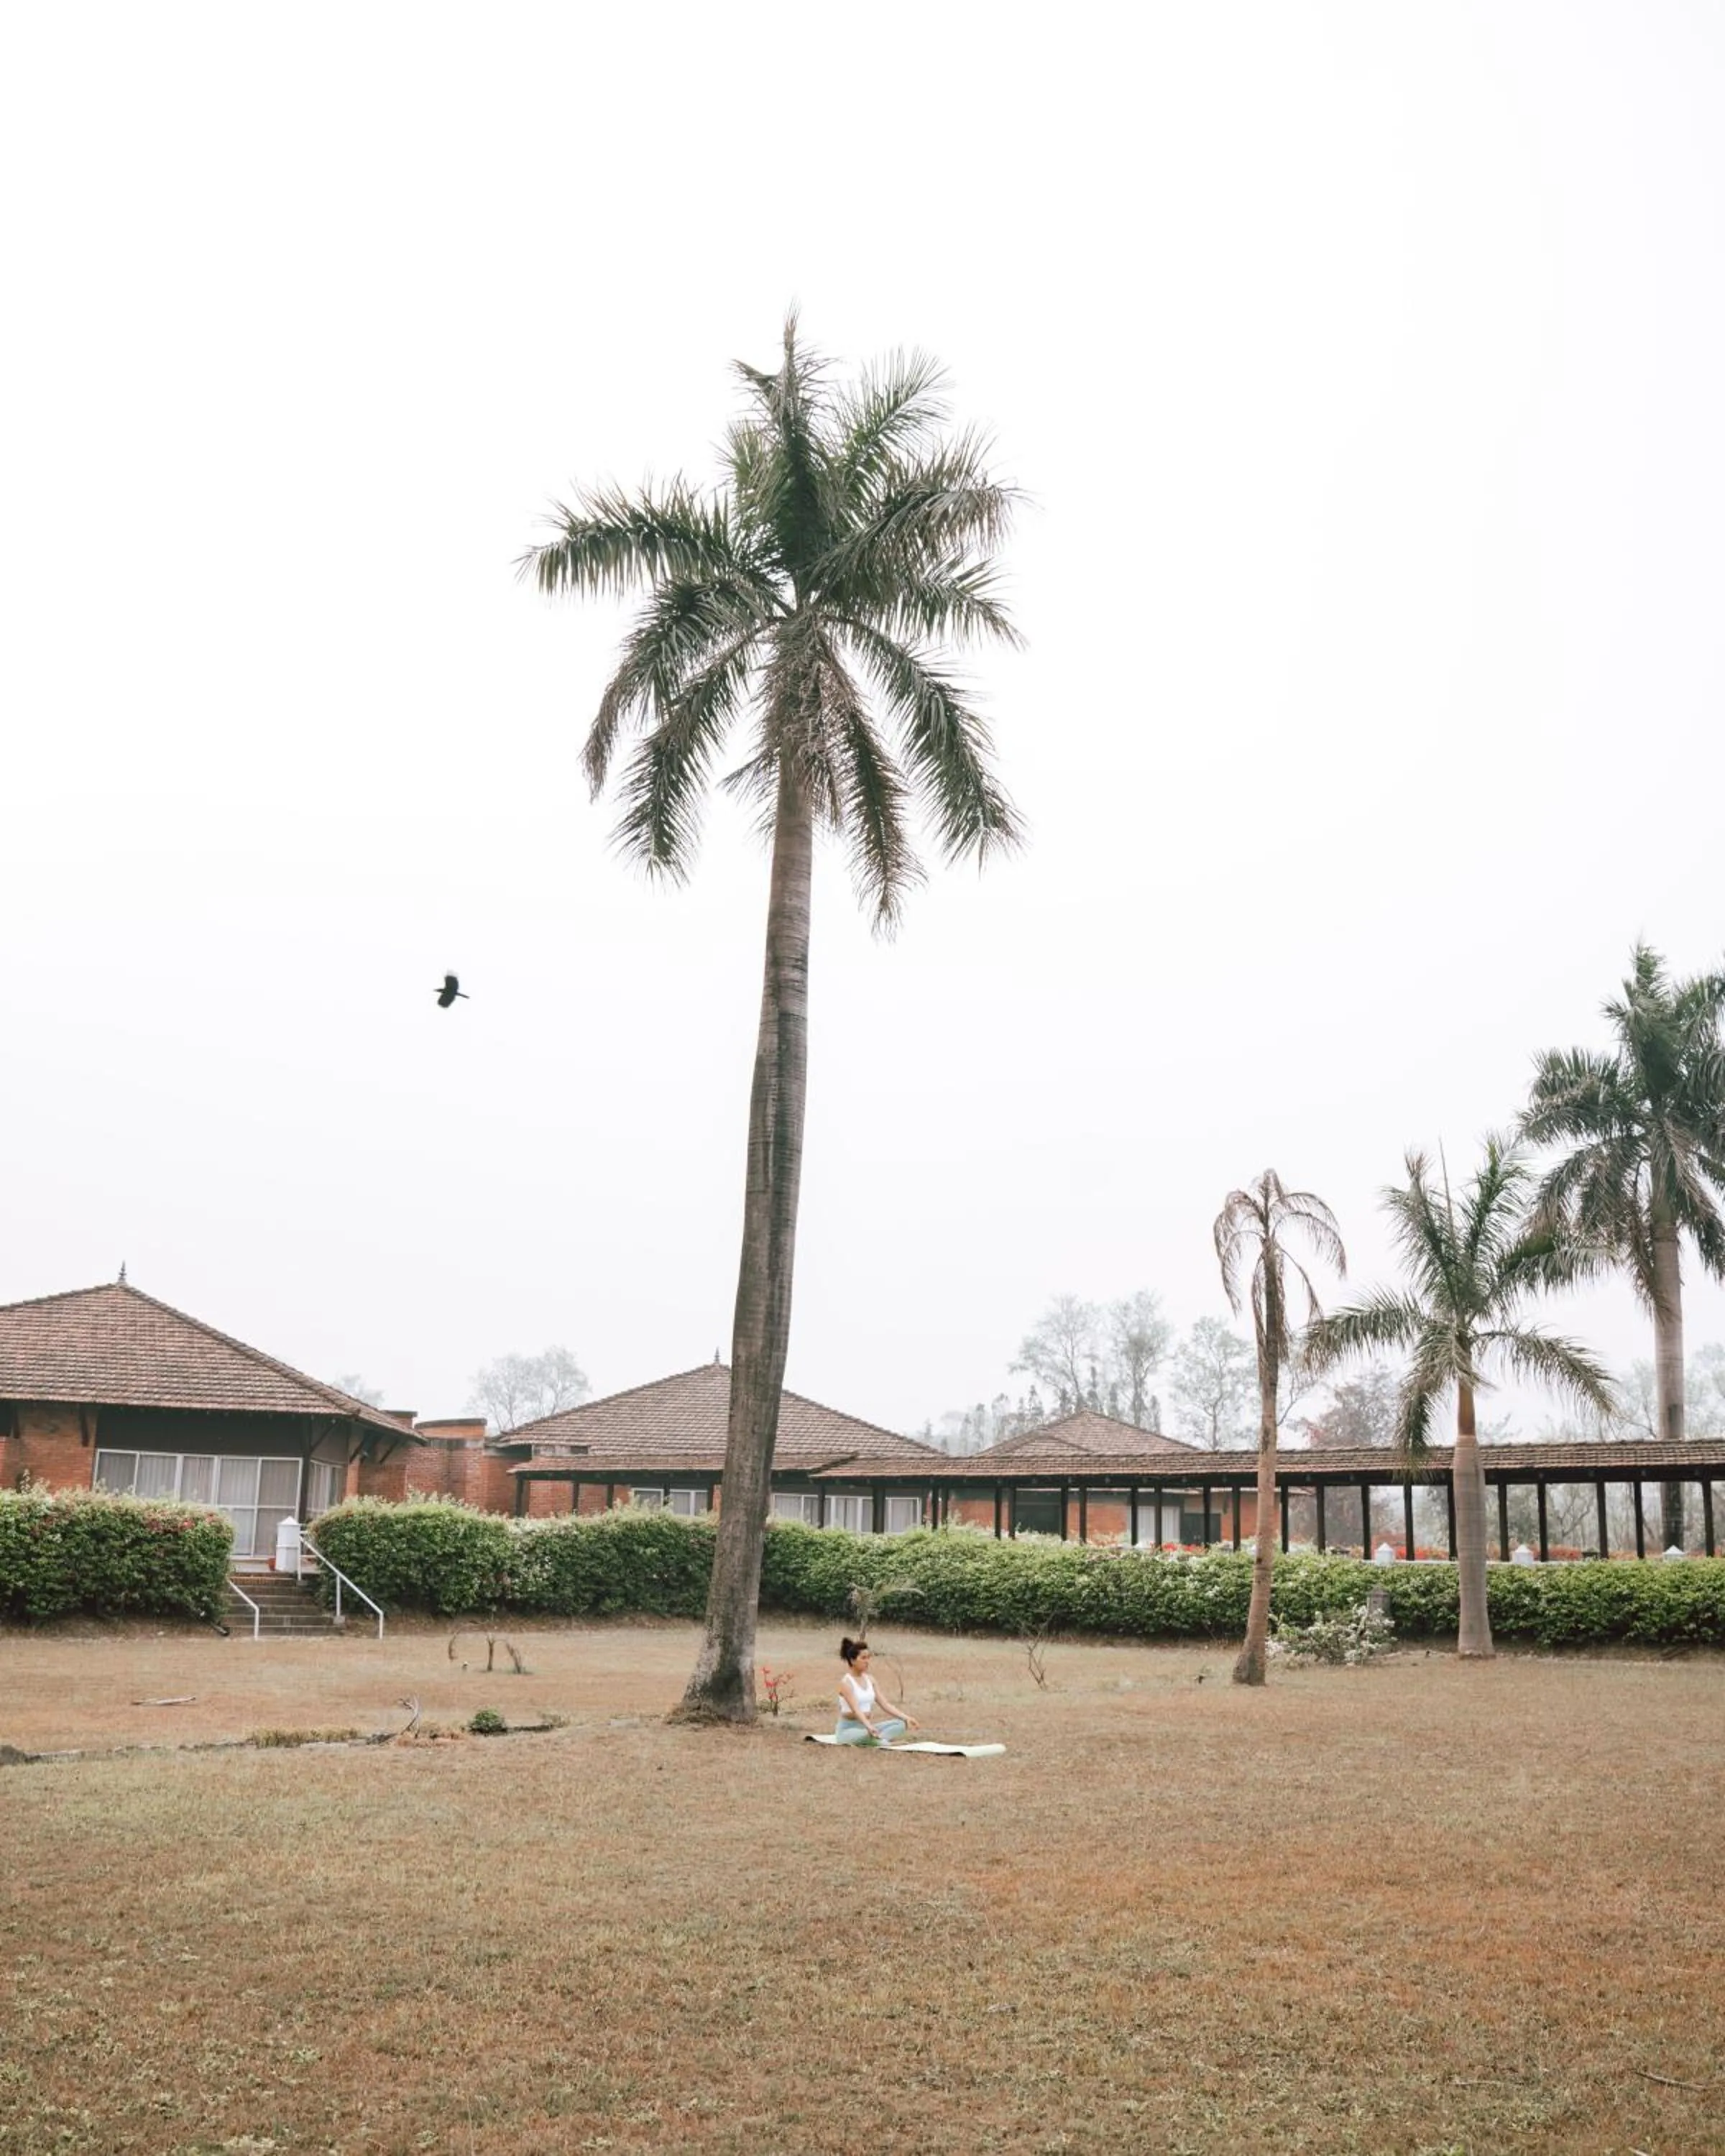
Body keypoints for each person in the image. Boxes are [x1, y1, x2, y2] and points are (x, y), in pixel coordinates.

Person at [833, 1636, 919, 1746]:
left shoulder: (871, 1679)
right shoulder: (846, 1683)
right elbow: (856, 1710)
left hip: (866, 1727)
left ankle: (877, 1739)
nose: (867, 1662)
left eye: (868, 1658)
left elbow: (885, 1705)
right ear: (853, 1660)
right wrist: (869, 1726)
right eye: (863, 1658)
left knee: (901, 1724)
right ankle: (882, 1742)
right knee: (867, 1734)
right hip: (848, 1731)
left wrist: (907, 1718)